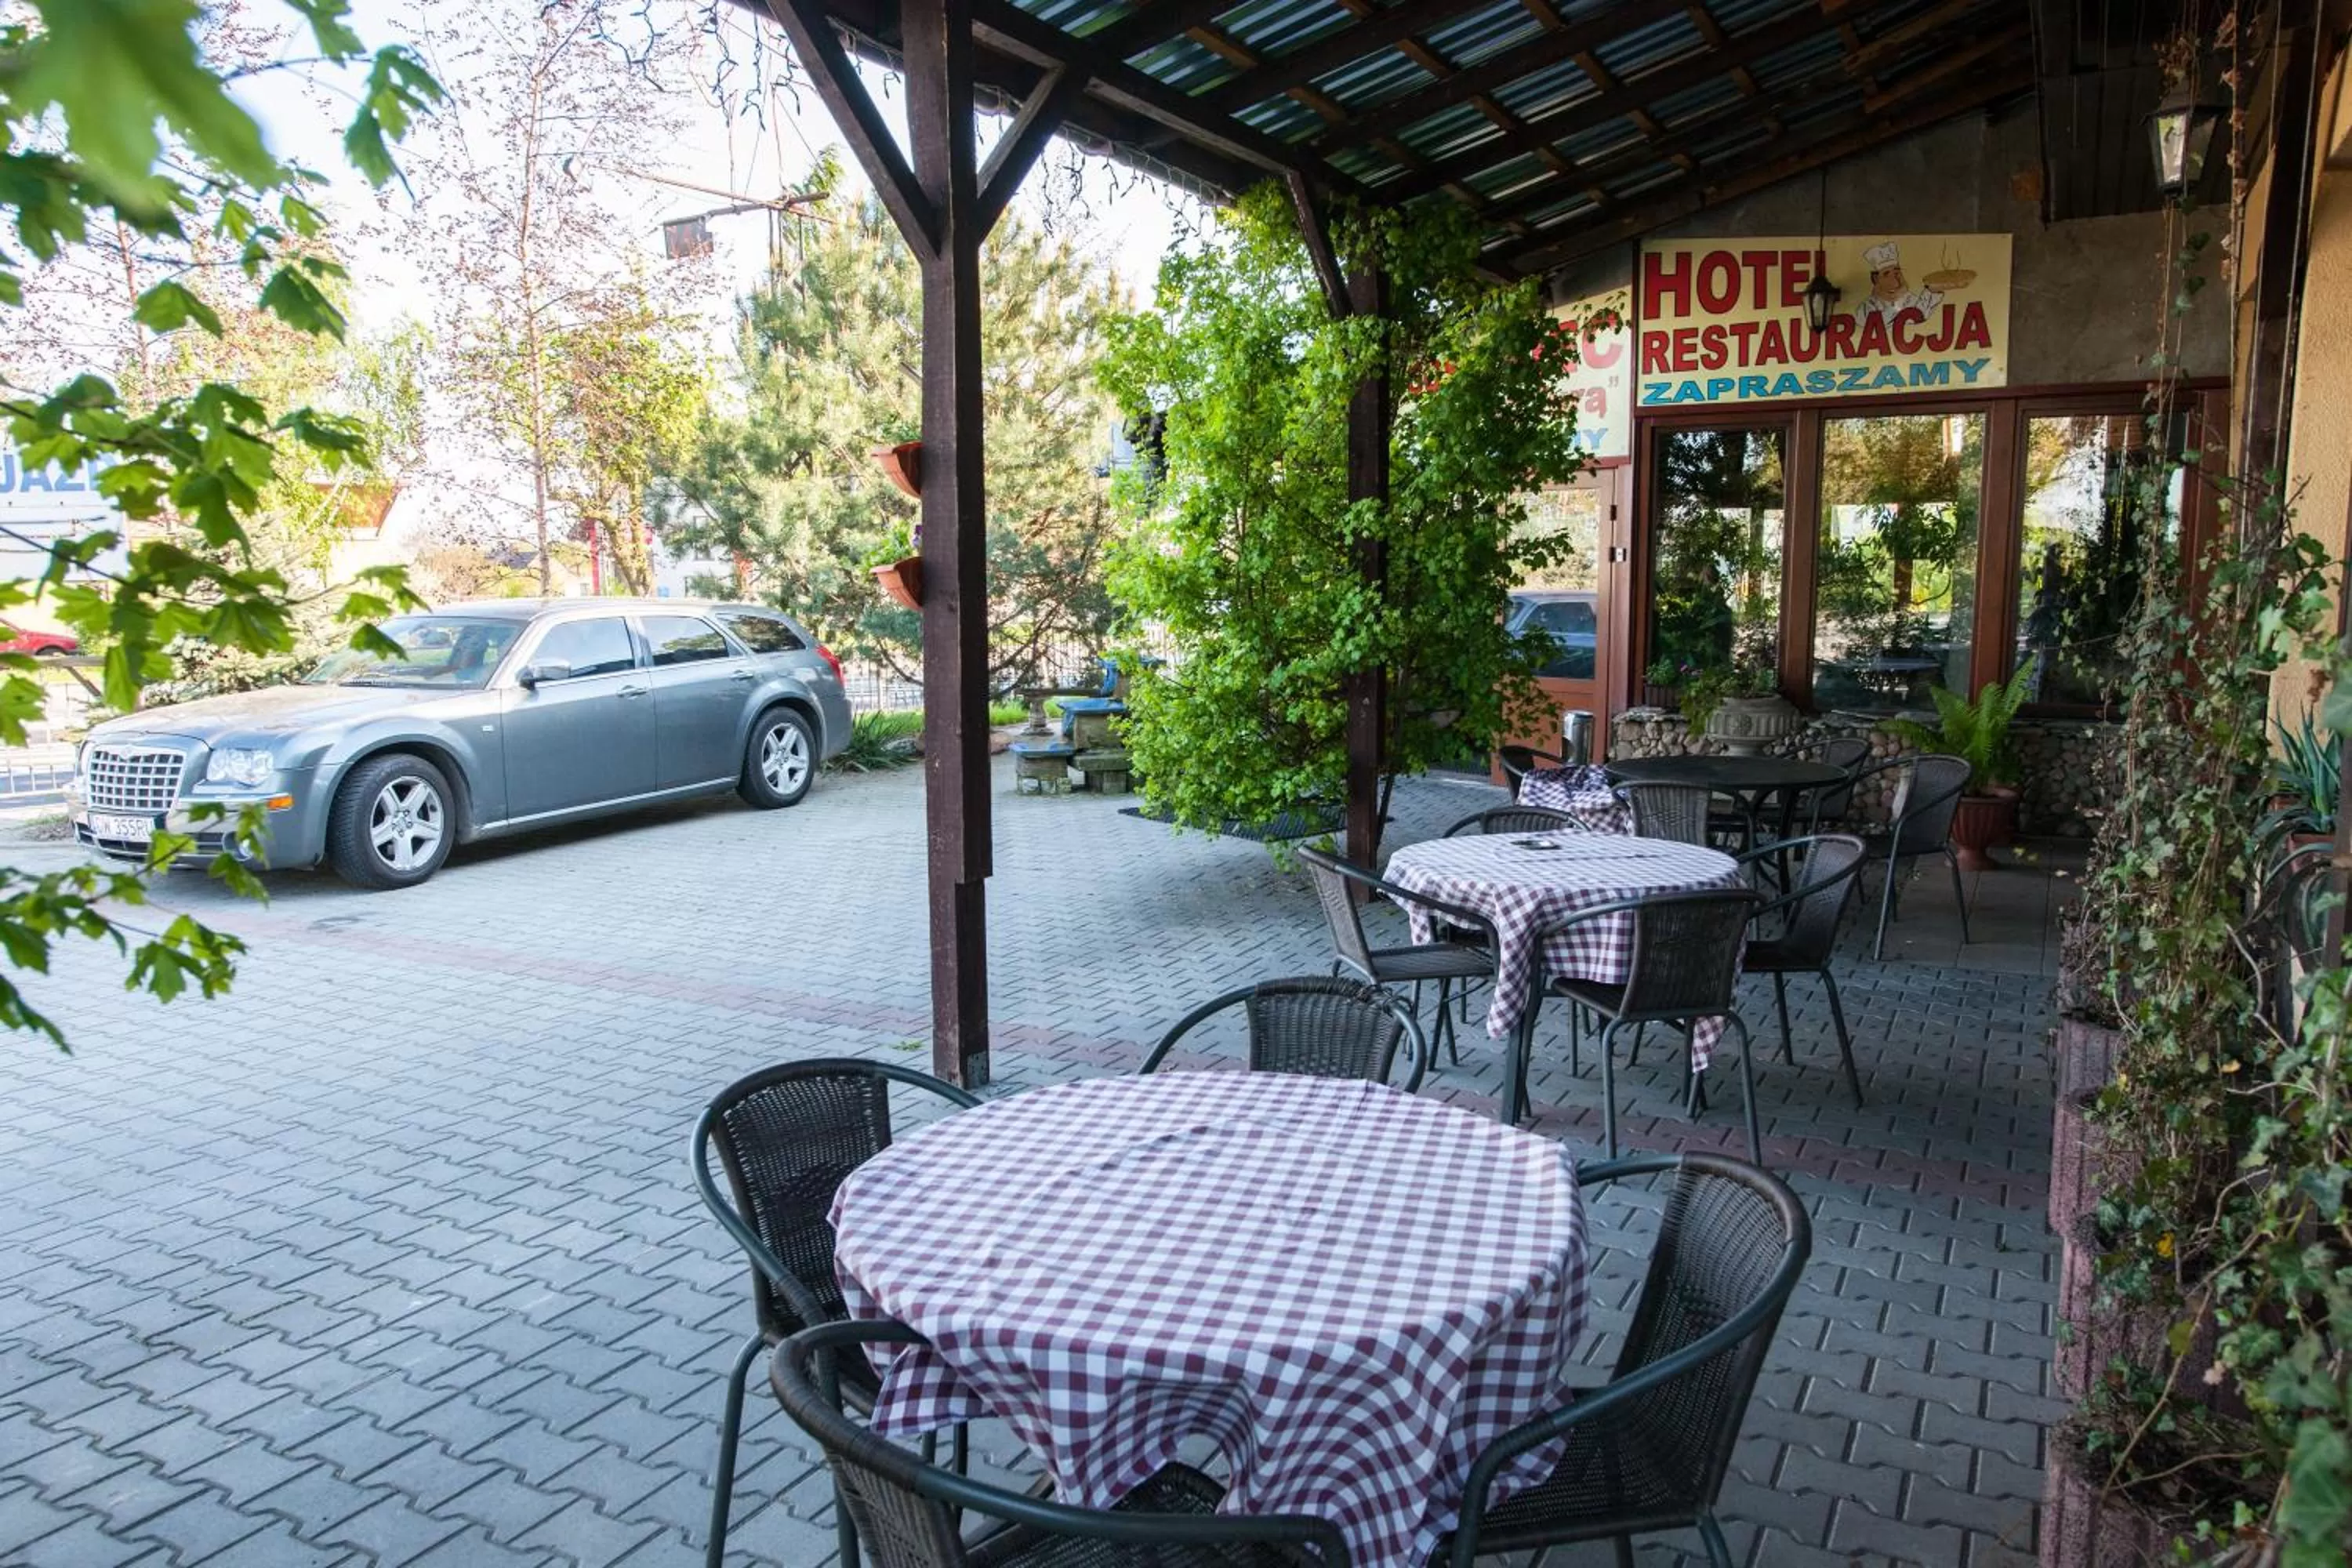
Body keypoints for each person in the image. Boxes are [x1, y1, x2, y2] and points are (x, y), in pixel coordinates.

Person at [1857, 240, 1940, 325]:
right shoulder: (1866, 308)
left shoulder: (1909, 299)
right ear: (1876, 279)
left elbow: (1921, 313)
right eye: (1886, 274)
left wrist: (1932, 291)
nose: (1894, 278)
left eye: (1896, 273)